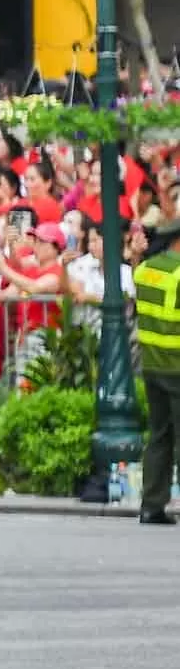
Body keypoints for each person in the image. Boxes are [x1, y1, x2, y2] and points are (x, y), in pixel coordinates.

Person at [136, 220, 180, 526]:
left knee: (160, 436)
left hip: (152, 365)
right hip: (177, 365)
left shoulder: (146, 269)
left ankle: (152, 505)